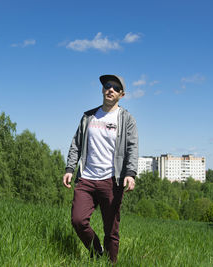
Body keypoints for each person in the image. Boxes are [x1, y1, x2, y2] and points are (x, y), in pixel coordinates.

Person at [62, 74, 138, 263]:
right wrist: (70, 168)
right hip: (86, 178)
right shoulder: (88, 116)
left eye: (115, 87)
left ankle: (111, 263)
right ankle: (97, 251)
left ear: (122, 94)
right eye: (107, 85)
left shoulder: (127, 119)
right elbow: (76, 144)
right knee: (78, 220)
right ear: (102, 89)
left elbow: (132, 147)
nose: (109, 89)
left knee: (111, 230)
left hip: (112, 181)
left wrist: (130, 173)